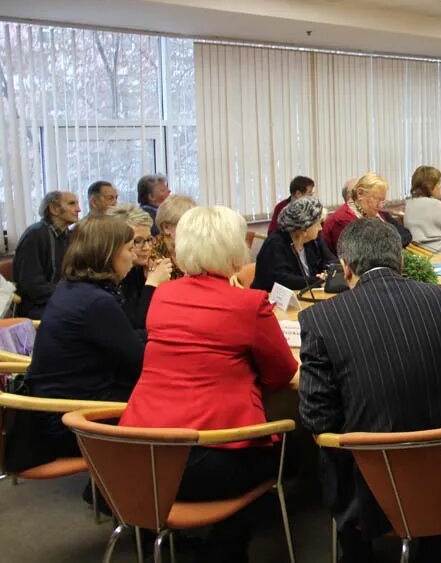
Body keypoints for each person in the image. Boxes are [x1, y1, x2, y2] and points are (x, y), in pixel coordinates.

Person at [120, 206, 297, 563]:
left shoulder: (163, 297)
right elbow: (281, 374)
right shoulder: (248, 304)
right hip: (209, 458)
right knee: (292, 455)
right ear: (235, 251)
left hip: (141, 455)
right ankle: (227, 547)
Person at [298, 218, 441, 562]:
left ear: (345, 269)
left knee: (330, 448)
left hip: (374, 489)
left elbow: (317, 417)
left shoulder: (321, 320)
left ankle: (357, 550)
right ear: (400, 260)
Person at [26, 215, 145, 457]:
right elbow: (140, 360)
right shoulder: (96, 301)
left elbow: (123, 339)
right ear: (108, 254)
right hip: (74, 421)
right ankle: (132, 484)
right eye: (129, 248)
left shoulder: (72, 288)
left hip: (52, 411)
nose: (133, 257)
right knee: (170, 398)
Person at [12, 190, 80, 318]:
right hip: (36, 306)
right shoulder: (35, 235)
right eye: (72, 204)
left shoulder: (69, 235)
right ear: (54, 209)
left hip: (62, 298)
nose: (79, 209)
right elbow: (32, 284)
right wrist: (68, 297)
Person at [107, 203, 173, 329]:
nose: (147, 248)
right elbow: (137, 326)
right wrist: (152, 284)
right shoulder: (109, 277)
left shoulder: (140, 269)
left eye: (149, 239)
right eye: (138, 241)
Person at [252, 196, 337, 293]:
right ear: (305, 228)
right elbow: (283, 280)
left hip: (307, 296)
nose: (320, 228)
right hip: (272, 301)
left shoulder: (314, 240)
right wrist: (318, 280)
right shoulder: (275, 243)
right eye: (317, 224)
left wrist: (329, 273)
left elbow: (331, 261)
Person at [322, 173, 411, 252]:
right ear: (360, 193)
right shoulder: (342, 220)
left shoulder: (372, 213)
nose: (380, 206)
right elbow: (362, 255)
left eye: (382, 201)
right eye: (376, 199)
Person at [151, 194, 196, 280]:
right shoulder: (152, 255)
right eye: (187, 225)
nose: (193, 230)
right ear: (166, 228)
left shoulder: (194, 249)